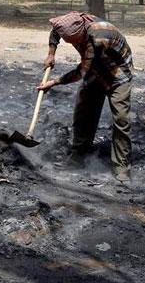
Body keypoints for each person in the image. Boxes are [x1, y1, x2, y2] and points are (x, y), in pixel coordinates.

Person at [38, 11, 133, 183]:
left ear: (81, 33)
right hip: (94, 67)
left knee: (121, 118)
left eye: (74, 41)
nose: (71, 44)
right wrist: (51, 53)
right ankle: (78, 156)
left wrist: (54, 82)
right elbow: (55, 32)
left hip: (117, 70)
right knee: (83, 111)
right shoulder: (69, 24)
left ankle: (122, 166)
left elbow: (82, 71)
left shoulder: (97, 39)